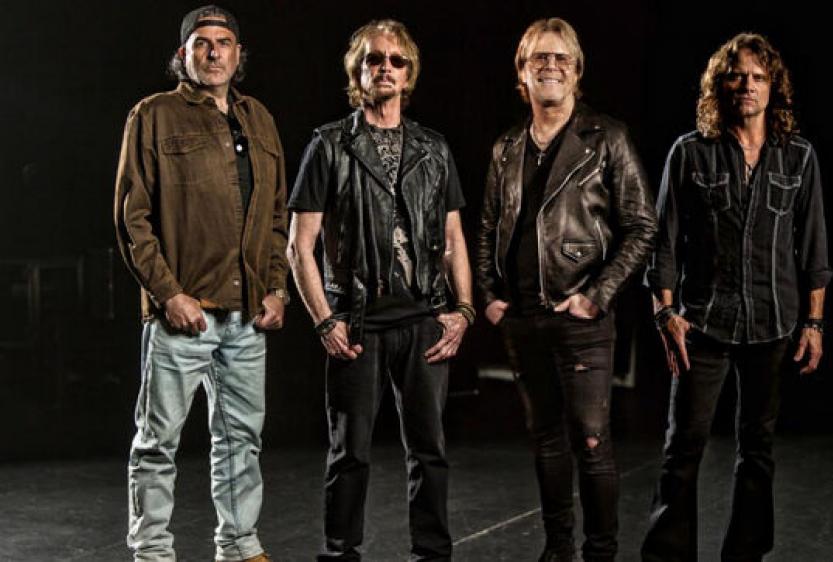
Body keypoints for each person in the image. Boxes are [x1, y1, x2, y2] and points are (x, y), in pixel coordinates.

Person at [285, 19, 473, 562]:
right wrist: (325, 320)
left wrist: (463, 310)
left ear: (408, 74)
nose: (385, 68)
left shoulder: (433, 148)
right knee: (349, 453)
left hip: (423, 319)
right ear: (357, 70)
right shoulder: (329, 144)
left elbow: (454, 238)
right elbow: (299, 245)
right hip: (357, 323)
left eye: (396, 60)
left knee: (430, 450)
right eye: (374, 59)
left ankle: (432, 554)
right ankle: (339, 552)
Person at [641, 32, 833, 562]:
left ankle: (745, 554)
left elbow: (814, 248)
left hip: (773, 323)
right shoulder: (690, 153)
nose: (747, 85)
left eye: (758, 76)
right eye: (736, 75)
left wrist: (814, 323)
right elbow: (663, 243)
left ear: (773, 88)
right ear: (719, 85)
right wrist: (665, 313)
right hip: (702, 324)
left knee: (758, 450)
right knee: (682, 448)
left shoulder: (798, 157)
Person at [475, 17, 657, 562]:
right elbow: (487, 227)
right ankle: (558, 551)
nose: (550, 67)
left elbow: (642, 225)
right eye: (539, 58)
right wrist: (488, 295)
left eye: (561, 59)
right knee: (547, 441)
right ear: (522, 73)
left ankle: (600, 553)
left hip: (581, 319)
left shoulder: (607, 138)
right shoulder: (507, 146)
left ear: (577, 71)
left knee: (592, 442)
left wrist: (596, 296)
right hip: (524, 318)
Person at [113, 5, 288, 561]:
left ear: (239, 54)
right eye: (202, 43)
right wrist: (169, 294)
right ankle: (152, 553)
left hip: (247, 317)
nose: (214, 52)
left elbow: (277, 215)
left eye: (224, 42)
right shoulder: (153, 114)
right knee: (157, 444)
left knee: (241, 442)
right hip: (181, 315)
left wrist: (277, 288)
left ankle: (239, 546)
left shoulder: (260, 118)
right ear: (183, 54)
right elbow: (132, 218)